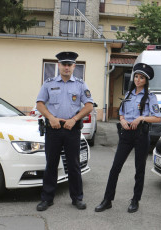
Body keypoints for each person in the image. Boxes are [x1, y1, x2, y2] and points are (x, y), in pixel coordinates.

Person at [95, 63, 161, 213]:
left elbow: (157, 118)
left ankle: (135, 200)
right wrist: (122, 120)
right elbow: (121, 113)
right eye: (136, 76)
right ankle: (107, 200)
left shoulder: (150, 97)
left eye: (141, 78)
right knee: (115, 167)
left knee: (139, 170)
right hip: (126, 135)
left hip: (141, 135)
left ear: (146, 80)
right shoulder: (128, 95)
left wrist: (141, 118)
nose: (138, 80)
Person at [35, 51, 94, 211]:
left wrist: (74, 119)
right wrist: (51, 118)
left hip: (71, 130)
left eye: (69, 65)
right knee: (51, 165)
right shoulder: (48, 83)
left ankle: (77, 198)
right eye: (63, 64)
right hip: (53, 129)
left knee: (74, 165)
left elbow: (89, 105)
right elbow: (40, 103)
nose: (66, 67)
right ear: (58, 66)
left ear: (74, 66)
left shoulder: (81, 85)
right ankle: (47, 199)